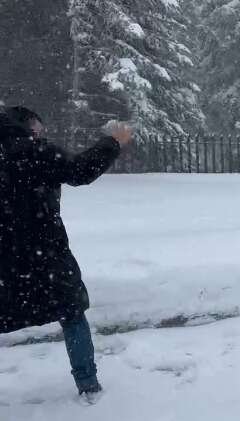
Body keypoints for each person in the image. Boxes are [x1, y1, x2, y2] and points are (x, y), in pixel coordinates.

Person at [0, 106, 132, 401]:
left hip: (6, 260)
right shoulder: (36, 152)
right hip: (45, 254)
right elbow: (80, 170)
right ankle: (88, 384)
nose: (42, 132)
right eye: (39, 127)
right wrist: (113, 142)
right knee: (72, 315)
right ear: (28, 126)